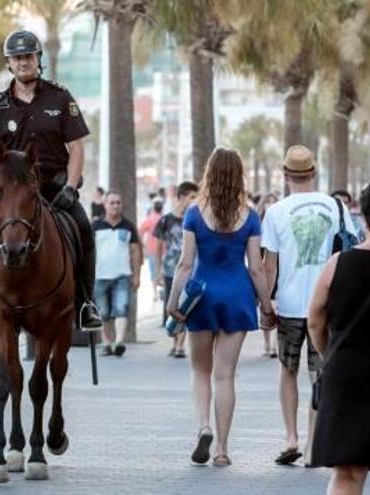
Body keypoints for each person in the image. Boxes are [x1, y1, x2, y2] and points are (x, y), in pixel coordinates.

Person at [0, 29, 100, 331]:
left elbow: (77, 148)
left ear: (38, 59)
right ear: (9, 63)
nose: (23, 62)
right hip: (7, 189)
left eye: (28, 56)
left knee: (83, 226)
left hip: (53, 185)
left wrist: (70, 187)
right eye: (17, 58)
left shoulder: (60, 97)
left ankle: (85, 303)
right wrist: (6, 167)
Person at [166, 148, 275, 467]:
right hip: (238, 296)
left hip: (202, 295)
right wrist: (267, 306)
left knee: (201, 370)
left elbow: (185, 264)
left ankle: (204, 426)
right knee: (225, 376)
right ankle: (223, 450)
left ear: (209, 173)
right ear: (239, 175)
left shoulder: (194, 213)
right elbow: (256, 268)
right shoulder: (251, 216)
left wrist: (173, 303)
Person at [261, 145, 358, 467]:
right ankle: (315, 443)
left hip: (288, 304)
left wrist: (266, 304)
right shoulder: (337, 206)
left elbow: (269, 267)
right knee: (321, 374)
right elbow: (350, 251)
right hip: (327, 304)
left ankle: (291, 438)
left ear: (286, 175)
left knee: (287, 369)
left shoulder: (275, 212)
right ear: (313, 173)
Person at [308, 178, 370, 495]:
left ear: (362, 215)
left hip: (346, 374)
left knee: (347, 472)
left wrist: (330, 353)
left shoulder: (339, 263)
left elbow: (315, 319)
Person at [154, 181, 199, 358]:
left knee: (185, 306)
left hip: (191, 270)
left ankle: (180, 345)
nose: (195, 201)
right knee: (171, 306)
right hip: (170, 269)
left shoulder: (196, 219)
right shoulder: (166, 220)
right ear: (180, 197)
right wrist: (157, 272)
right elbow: (158, 248)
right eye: (192, 197)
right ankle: (175, 341)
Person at [94, 191, 142, 357]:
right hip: (99, 275)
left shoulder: (128, 226)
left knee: (121, 308)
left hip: (122, 274)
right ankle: (107, 343)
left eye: (118, 203)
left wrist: (136, 275)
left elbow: (135, 251)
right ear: (105, 205)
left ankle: (119, 342)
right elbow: (87, 252)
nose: (115, 206)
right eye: (112, 203)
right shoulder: (96, 226)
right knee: (103, 312)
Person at [256, 192, 279, 359]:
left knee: (277, 307)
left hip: (278, 269)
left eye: (273, 202)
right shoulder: (257, 224)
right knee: (265, 306)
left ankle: (275, 346)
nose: (269, 205)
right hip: (261, 271)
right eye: (267, 202)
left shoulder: (279, 222)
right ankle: (266, 343)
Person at [139, 197, 163, 302]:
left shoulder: (150, 219)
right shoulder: (165, 218)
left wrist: (143, 245)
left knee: (154, 273)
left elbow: (140, 231)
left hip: (152, 250)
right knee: (164, 271)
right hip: (165, 250)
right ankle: (164, 290)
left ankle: (155, 293)